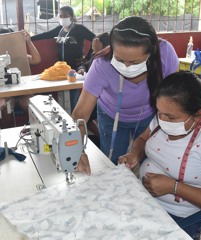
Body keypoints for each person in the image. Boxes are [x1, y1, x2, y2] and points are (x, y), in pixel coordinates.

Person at [118, 71, 201, 239]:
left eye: (170, 117)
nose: (162, 119)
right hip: (144, 199)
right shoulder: (165, 113)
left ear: (198, 116)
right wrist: (134, 154)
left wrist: (173, 187)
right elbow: (143, 137)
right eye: (159, 112)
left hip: (181, 217)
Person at [72, 16, 179, 173]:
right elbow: (80, 114)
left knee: (147, 160)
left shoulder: (165, 54)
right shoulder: (101, 65)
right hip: (110, 115)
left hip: (150, 115)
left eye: (135, 62)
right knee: (113, 162)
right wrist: (77, 149)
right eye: (119, 59)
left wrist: (139, 148)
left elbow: (174, 100)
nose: (127, 67)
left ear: (151, 54)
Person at [31, 5, 95, 70]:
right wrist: (29, 38)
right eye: (61, 16)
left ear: (72, 17)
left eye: (65, 16)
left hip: (76, 66)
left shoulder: (79, 29)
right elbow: (45, 35)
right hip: (62, 66)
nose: (63, 18)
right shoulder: (59, 29)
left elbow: (95, 38)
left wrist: (88, 57)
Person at [0, 28, 41, 129]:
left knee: (30, 105)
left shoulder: (20, 56)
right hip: (7, 96)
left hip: (23, 93)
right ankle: (6, 135)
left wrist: (28, 41)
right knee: (5, 107)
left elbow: (37, 60)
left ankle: (35, 131)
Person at [75, 32, 110, 147]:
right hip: (97, 96)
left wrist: (96, 51)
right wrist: (81, 68)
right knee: (84, 113)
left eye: (95, 42)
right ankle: (99, 136)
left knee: (85, 114)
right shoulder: (97, 56)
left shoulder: (106, 58)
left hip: (104, 98)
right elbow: (86, 64)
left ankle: (99, 138)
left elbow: (94, 65)